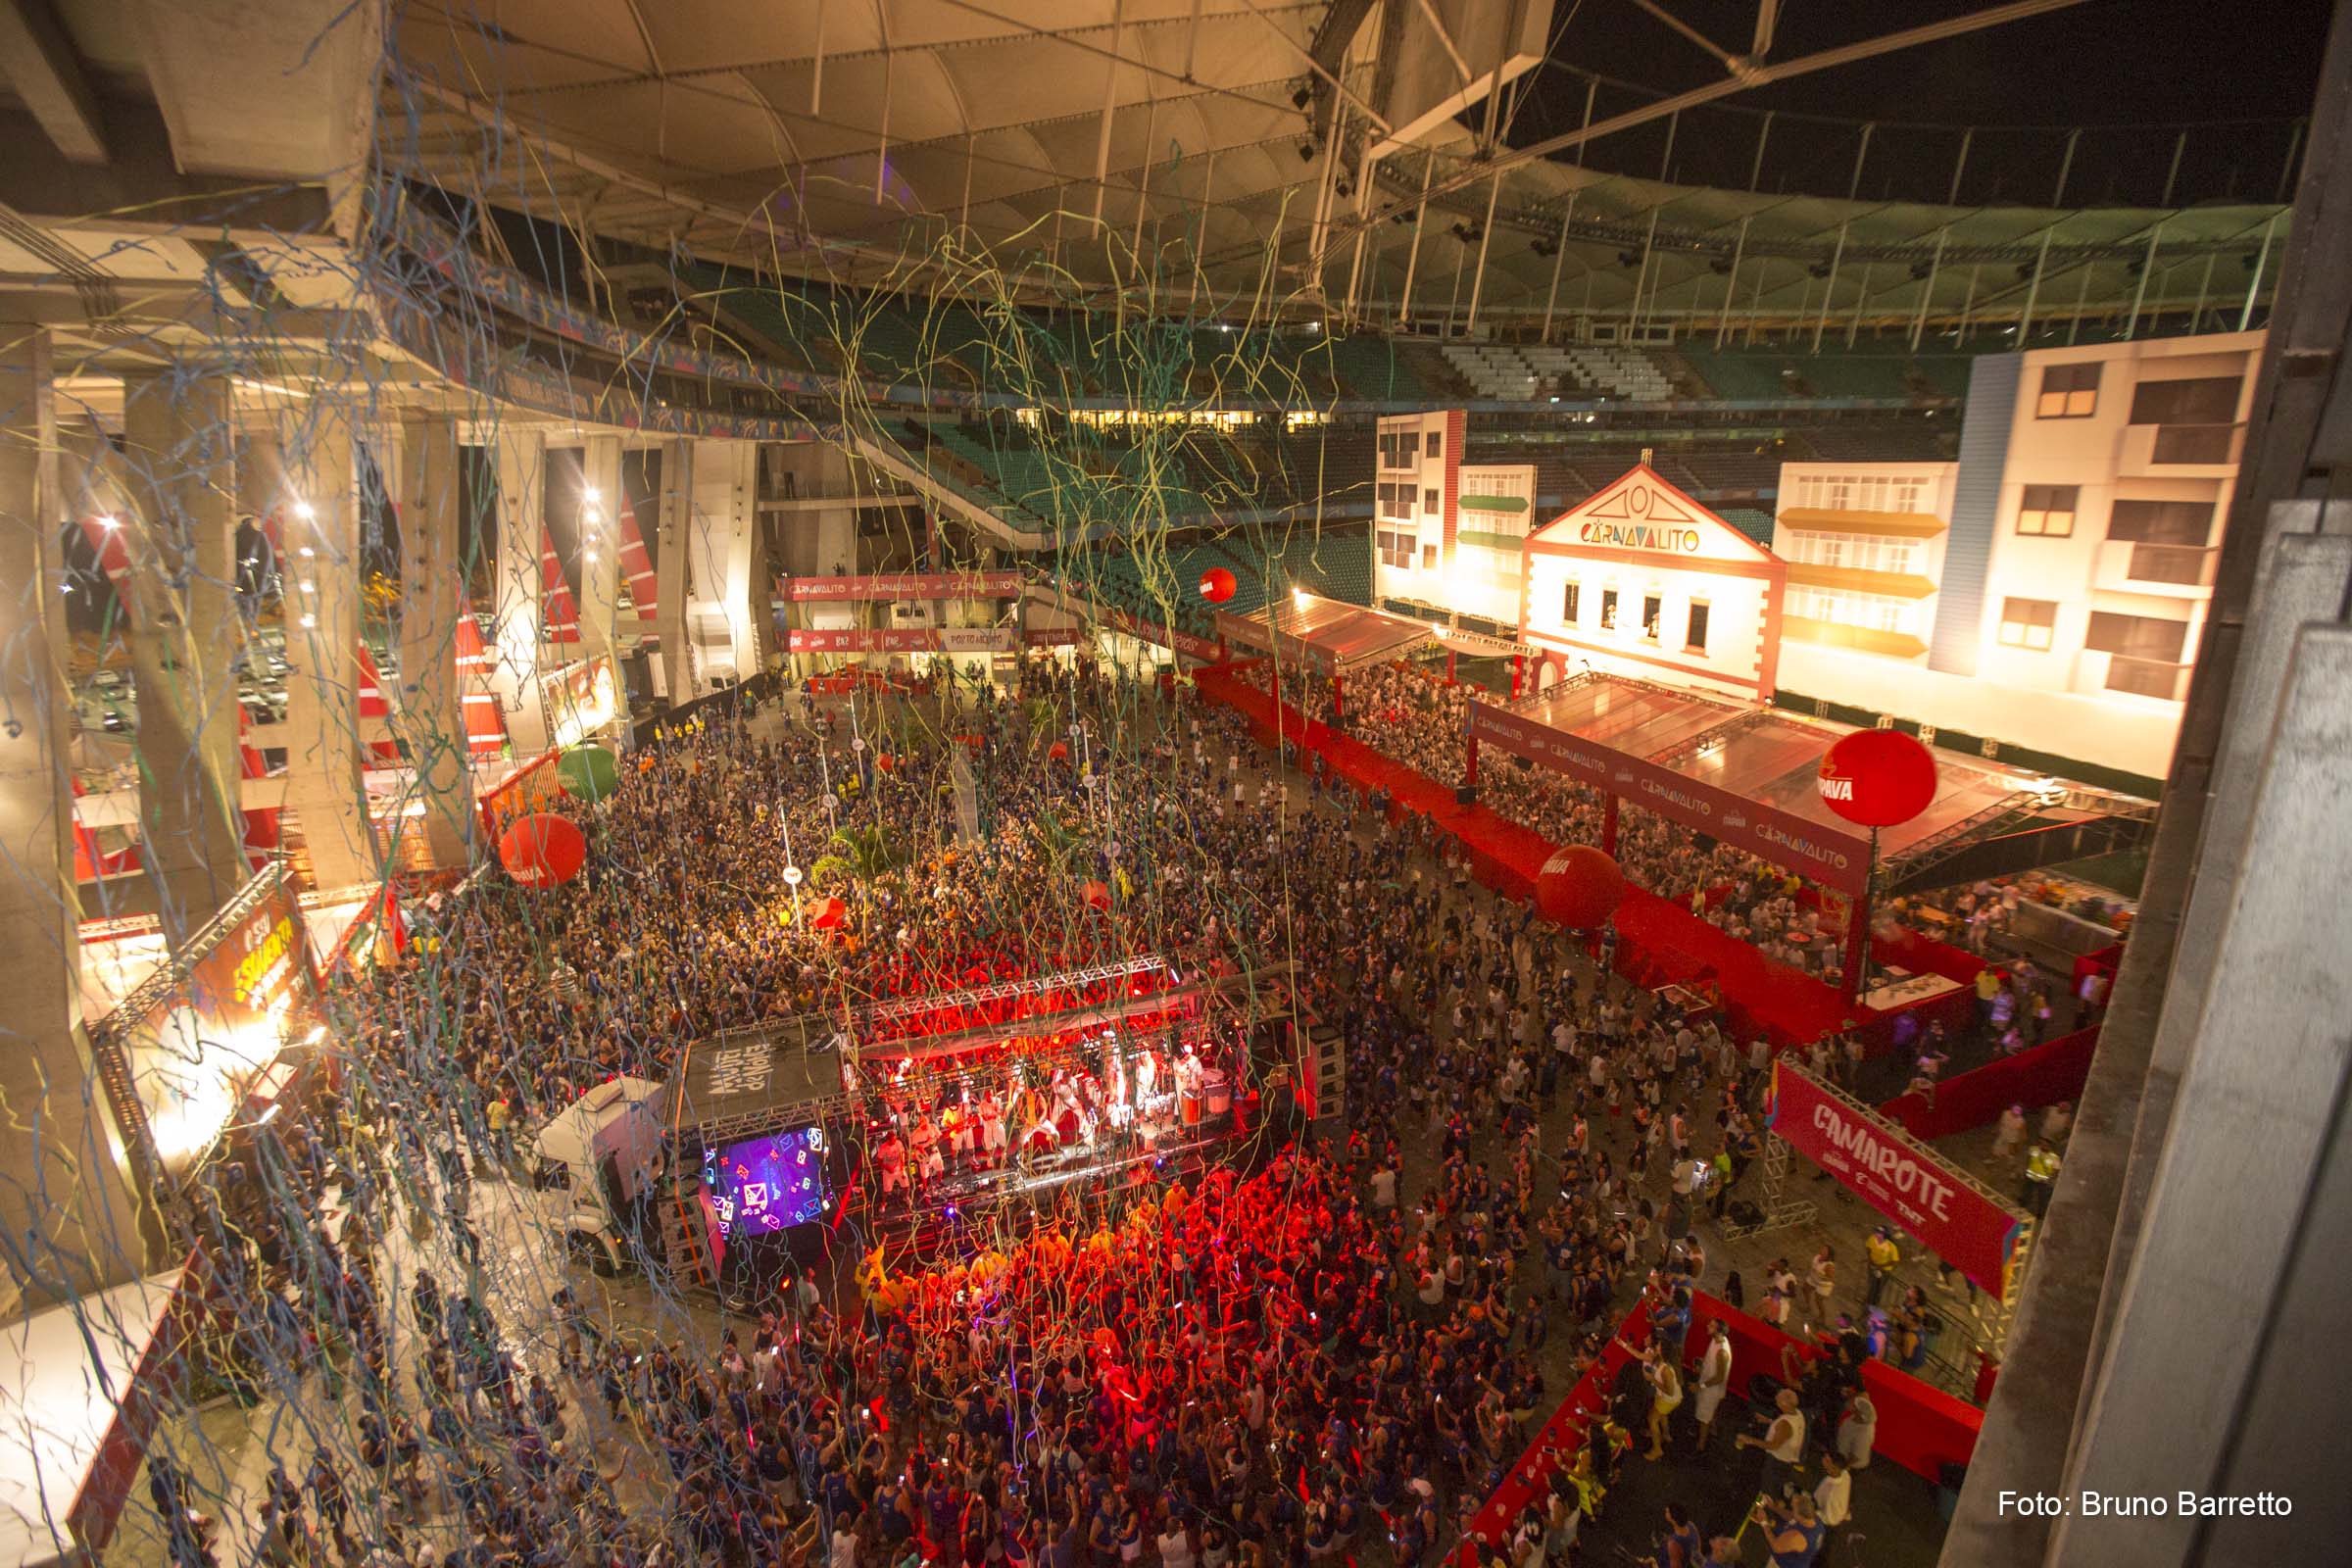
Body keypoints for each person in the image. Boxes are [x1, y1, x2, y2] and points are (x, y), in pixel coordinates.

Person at [1737, 1388, 1808, 1498]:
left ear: (1785, 1404)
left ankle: (1765, 1510)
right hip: (1787, 1461)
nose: (1776, 1403)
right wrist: (1770, 1421)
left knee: (1768, 1489)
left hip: (1777, 1462)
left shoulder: (1785, 1423)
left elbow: (1774, 1445)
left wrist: (1750, 1440)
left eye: (1778, 1401)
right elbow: (1787, 1432)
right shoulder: (1798, 1413)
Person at [1753, 1492, 1826, 1568]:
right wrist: (1773, 1507)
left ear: (1800, 1516)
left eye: (1793, 1509)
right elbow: (1792, 1517)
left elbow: (1776, 1546)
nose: (1791, 1507)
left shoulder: (1797, 1537)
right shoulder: (1814, 1519)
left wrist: (1764, 1523)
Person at [1690, 1321, 1734, 1452]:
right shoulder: (1715, 1340)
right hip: (1707, 1385)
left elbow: (1719, 1378)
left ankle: (1700, 1446)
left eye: (1712, 1326)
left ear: (1719, 1331)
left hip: (1711, 1390)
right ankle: (1713, 1429)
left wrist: (1700, 1386)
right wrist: (1702, 1365)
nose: (1707, 1326)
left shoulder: (1722, 1352)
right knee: (1710, 1413)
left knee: (1704, 1418)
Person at [1811, 1453, 1852, 1567]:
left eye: (1827, 1459)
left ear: (1834, 1467)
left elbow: (1828, 1518)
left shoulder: (1831, 1493)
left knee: (1821, 1552)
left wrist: (1810, 1512)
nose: (1823, 1459)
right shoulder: (1845, 1475)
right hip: (1837, 1518)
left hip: (1828, 1525)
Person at [1837, 1388, 1877, 1472]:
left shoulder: (1864, 1434)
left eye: (1856, 1407)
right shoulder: (1855, 1418)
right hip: (1841, 1453)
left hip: (1851, 1466)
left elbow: (1856, 1457)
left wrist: (1843, 1468)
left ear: (1860, 1413)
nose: (1853, 1406)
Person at [1863, 1229, 1899, 1308]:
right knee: (1872, 1284)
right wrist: (1870, 1259)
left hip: (1884, 1271)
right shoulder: (1874, 1239)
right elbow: (1869, 1247)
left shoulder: (1892, 1247)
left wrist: (1881, 1266)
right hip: (1874, 1267)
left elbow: (1895, 1261)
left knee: (1878, 1288)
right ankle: (1869, 1300)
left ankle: (1872, 1304)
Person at [2023, 1142, 2061, 1217]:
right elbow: (2029, 1158)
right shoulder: (2033, 1149)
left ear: (2050, 1147)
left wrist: (2050, 1179)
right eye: (2043, 1144)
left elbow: (2056, 1170)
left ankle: (2041, 1213)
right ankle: (2023, 1205)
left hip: (2042, 1181)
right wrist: (2026, 1168)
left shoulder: (2054, 1158)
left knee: (2042, 1198)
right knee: (2027, 1192)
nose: (2044, 1146)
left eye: (2047, 1145)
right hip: (2030, 1177)